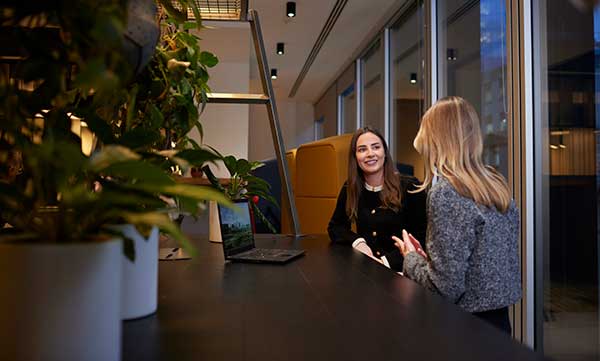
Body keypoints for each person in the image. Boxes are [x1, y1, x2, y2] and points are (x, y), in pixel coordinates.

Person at [393, 96, 522, 334]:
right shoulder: (494, 184)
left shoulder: (447, 193)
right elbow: (479, 261)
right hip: (499, 325)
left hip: (464, 330)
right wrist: (430, 261)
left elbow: (444, 289)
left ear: (436, 142)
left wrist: (411, 259)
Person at [328, 127, 427, 271]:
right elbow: (336, 227)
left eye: (376, 147)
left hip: (402, 273)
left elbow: (422, 238)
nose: (370, 154)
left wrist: (384, 262)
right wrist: (357, 242)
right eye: (362, 149)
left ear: (385, 153)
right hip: (367, 272)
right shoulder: (350, 187)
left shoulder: (410, 186)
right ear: (355, 157)